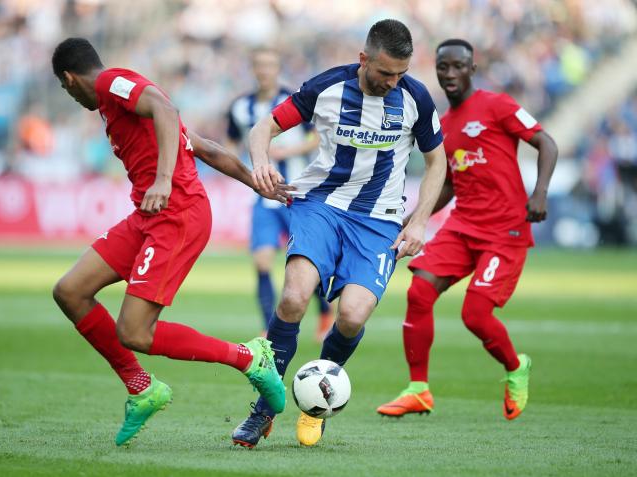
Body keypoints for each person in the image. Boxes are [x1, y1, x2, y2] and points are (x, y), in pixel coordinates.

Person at [50, 37, 288, 447]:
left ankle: (250, 357)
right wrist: (256, 183)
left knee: (135, 332)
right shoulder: (118, 107)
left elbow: (165, 107)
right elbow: (207, 149)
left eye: (65, 88)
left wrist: (162, 179)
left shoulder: (111, 83)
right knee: (70, 291)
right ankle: (141, 387)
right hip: (147, 216)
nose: (69, 95)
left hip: (177, 216)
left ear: (70, 80)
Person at [231, 19, 447, 448]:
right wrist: (260, 165)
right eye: (385, 73)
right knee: (293, 298)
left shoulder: (415, 97)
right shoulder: (327, 87)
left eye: (400, 74)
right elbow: (264, 129)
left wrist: (420, 219)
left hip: (380, 219)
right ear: (364, 58)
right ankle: (263, 409)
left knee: (351, 316)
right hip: (321, 205)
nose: (392, 82)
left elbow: (437, 162)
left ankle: (317, 403)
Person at [376, 39, 558, 420]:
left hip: (504, 230)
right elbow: (448, 184)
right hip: (463, 225)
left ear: (472, 69)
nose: (450, 74)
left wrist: (540, 192)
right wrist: (415, 219)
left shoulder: (497, 106)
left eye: (458, 66)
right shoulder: (444, 126)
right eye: (444, 67)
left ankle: (515, 367)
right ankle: (418, 389)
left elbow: (546, 142)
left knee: (475, 315)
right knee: (420, 291)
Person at [226, 47, 334, 340]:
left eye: (270, 65)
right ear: (253, 69)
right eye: (259, 65)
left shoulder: (297, 100)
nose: (264, 71)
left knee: (304, 263)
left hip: (297, 194)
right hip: (262, 197)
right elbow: (232, 142)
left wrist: (288, 150)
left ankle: (325, 313)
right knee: (261, 260)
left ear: (278, 69)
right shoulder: (240, 107)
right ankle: (266, 325)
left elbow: (318, 137)